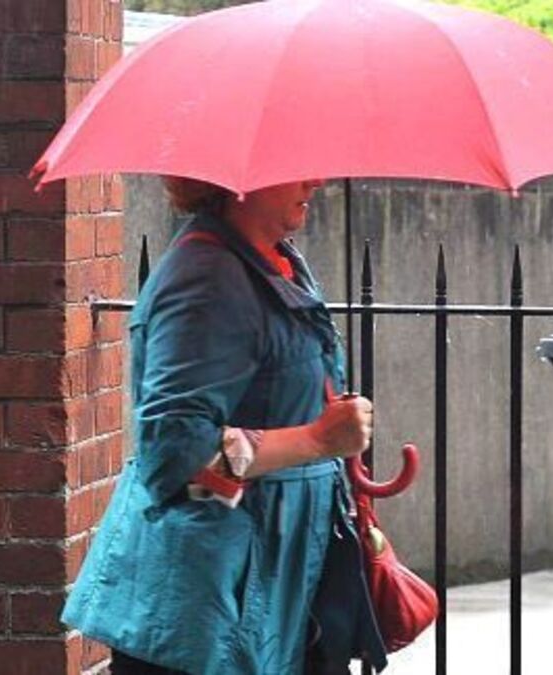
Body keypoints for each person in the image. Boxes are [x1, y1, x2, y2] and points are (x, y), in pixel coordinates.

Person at [62, 177, 389, 675]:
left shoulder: (276, 262)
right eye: (295, 165)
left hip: (277, 590)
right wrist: (316, 439)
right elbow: (173, 458)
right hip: (206, 611)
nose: (316, 180)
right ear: (240, 183)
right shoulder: (206, 279)